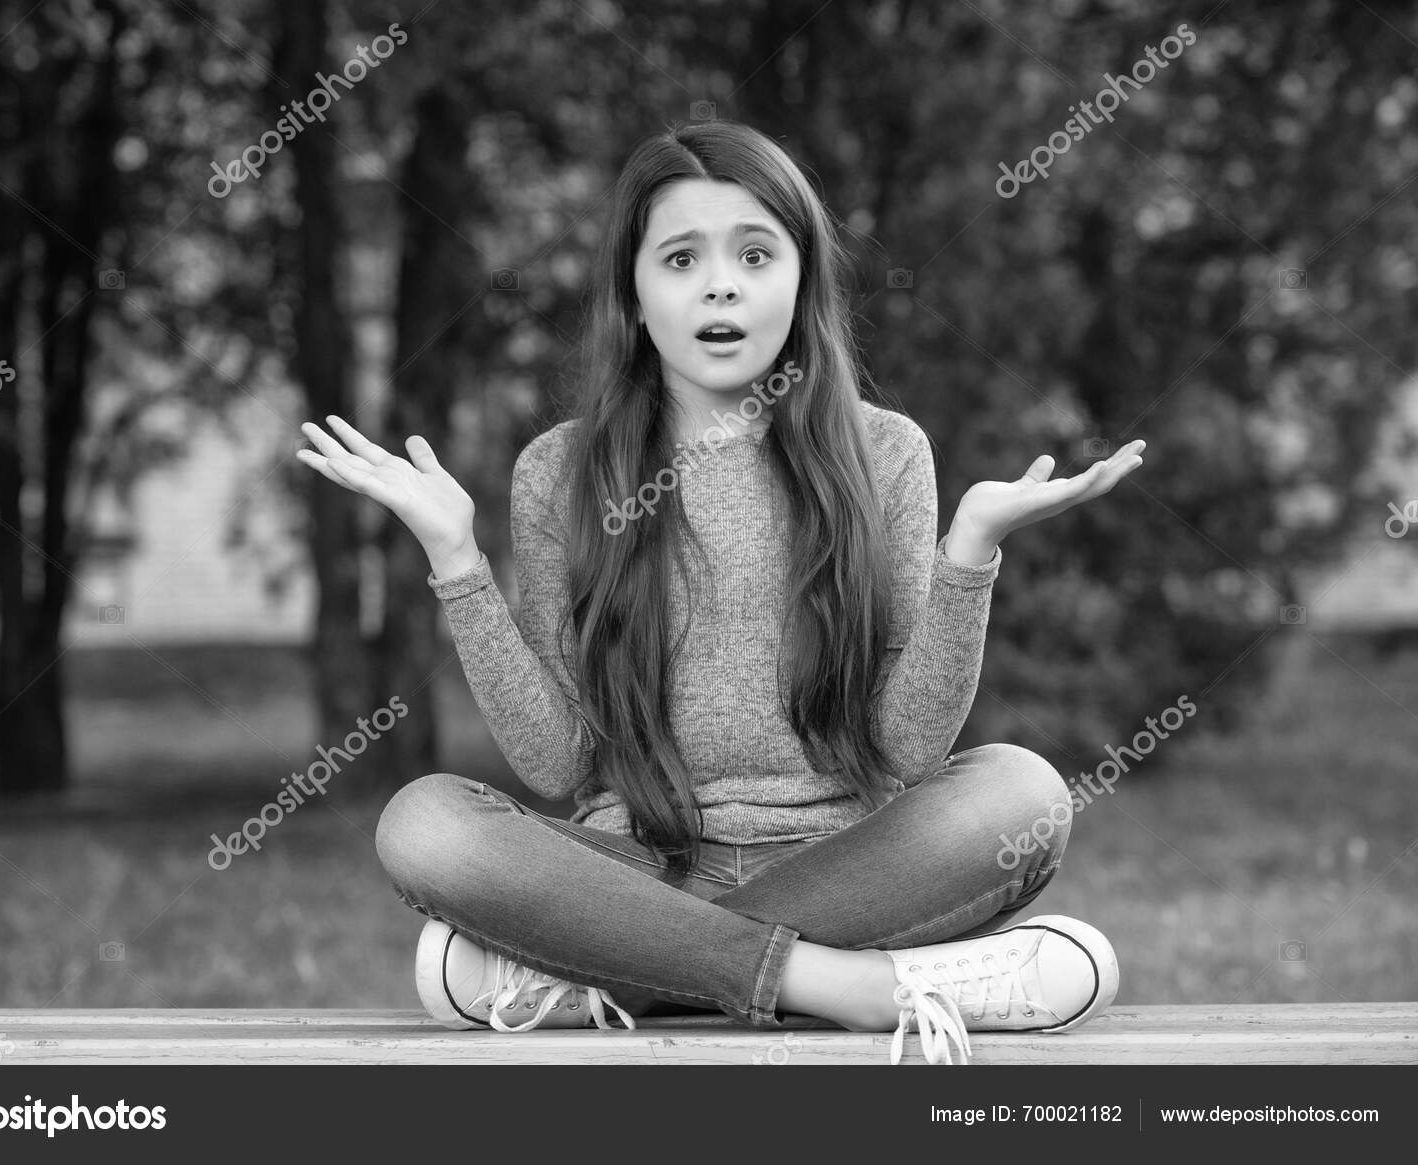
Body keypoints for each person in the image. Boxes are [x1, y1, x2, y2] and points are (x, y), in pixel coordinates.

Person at [297, 119, 1144, 1065]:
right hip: (631, 867)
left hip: (846, 865)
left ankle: (600, 977)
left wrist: (971, 553)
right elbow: (556, 763)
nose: (721, 283)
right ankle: (847, 986)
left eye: (754, 252)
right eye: (680, 257)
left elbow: (908, 747)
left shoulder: (888, 452)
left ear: (800, 277)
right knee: (427, 823)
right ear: (636, 291)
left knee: (1021, 791)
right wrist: (456, 561)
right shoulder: (560, 471)